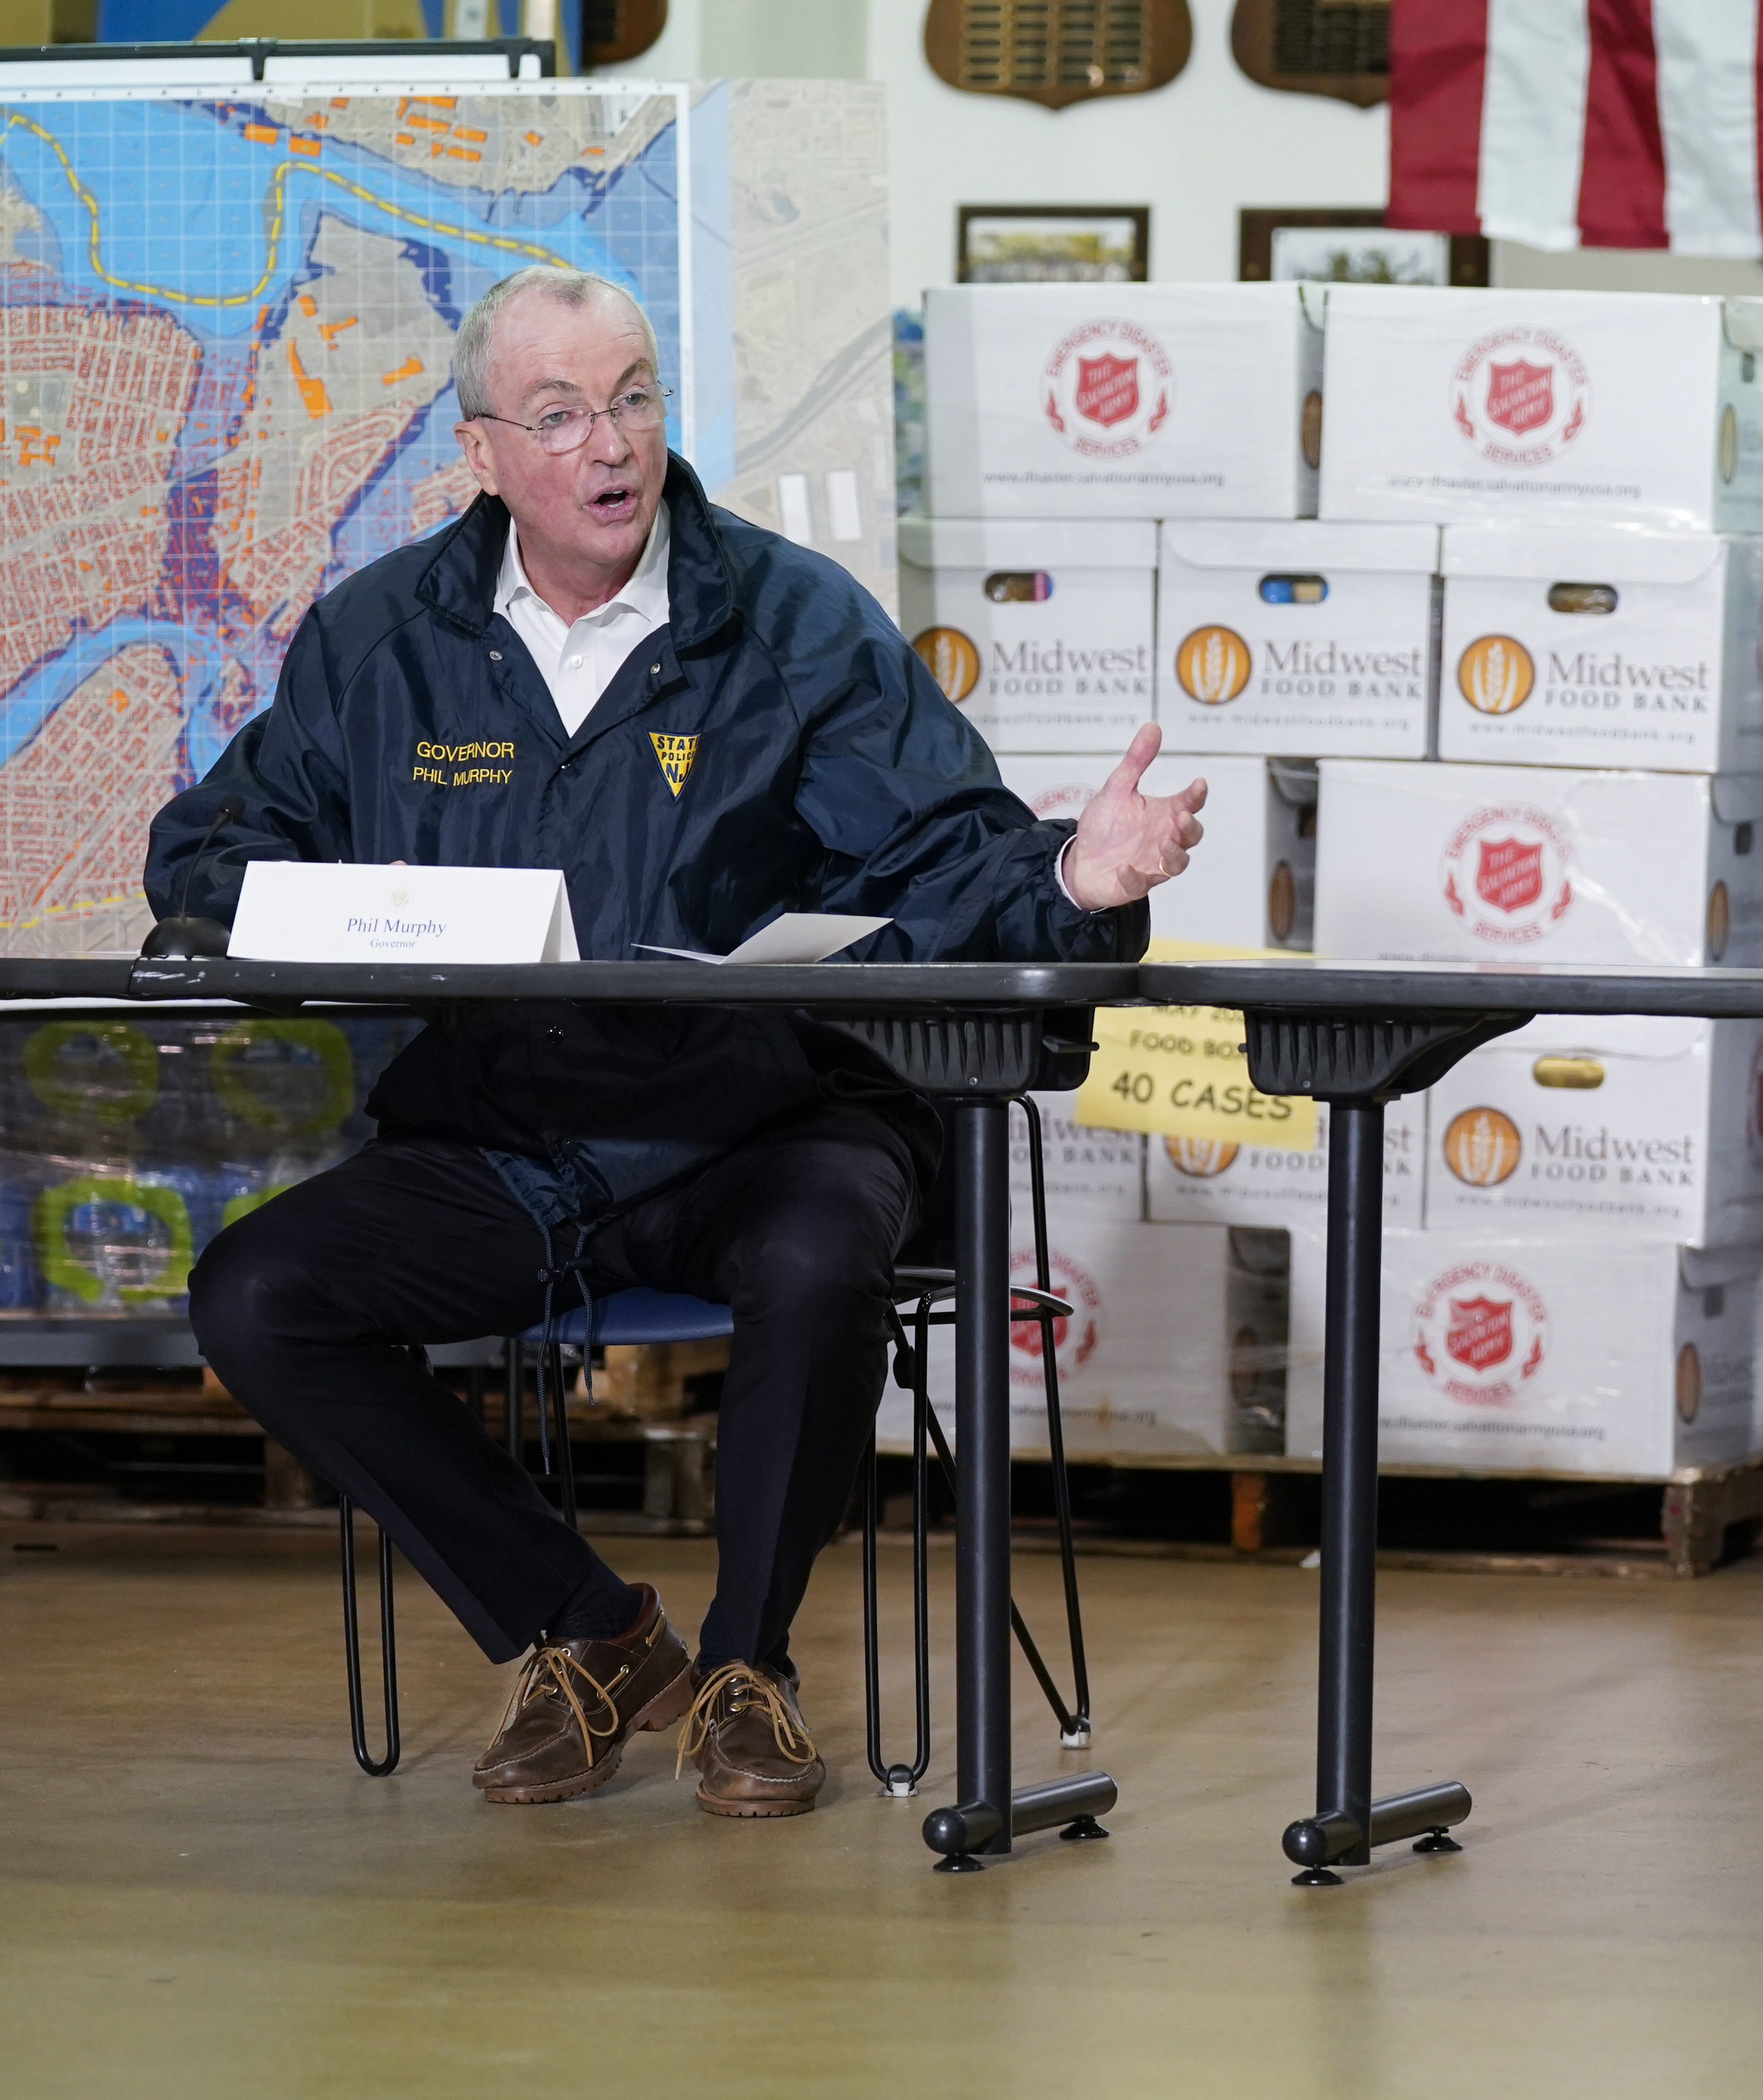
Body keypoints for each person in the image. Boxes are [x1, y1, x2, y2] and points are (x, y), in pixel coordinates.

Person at [156, 266, 1206, 1819]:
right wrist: (372, 911)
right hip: (504, 1140)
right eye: (563, 412)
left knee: (815, 1248)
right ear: (484, 451)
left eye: (634, 398)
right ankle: (586, 1635)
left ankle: (748, 1672)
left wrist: (1078, 876)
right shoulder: (385, 637)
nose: (612, 444)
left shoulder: (789, 622)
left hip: (767, 1123)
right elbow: (213, 853)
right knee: (258, 1292)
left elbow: (951, 857)